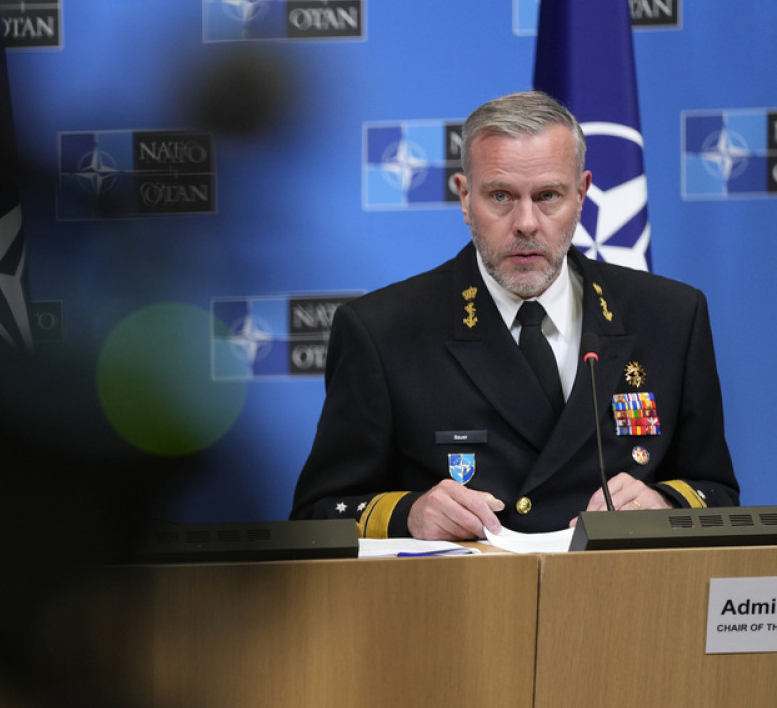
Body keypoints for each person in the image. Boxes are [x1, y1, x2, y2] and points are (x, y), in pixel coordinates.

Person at [290, 91, 739, 539]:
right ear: (465, 197)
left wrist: (665, 504)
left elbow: (717, 493)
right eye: (501, 195)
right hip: (469, 585)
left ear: (582, 194)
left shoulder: (670, 317)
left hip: (614, 583)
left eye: (548, 195)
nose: (526, 222)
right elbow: (318, 513)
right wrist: (410, 513)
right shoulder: (382, 331)